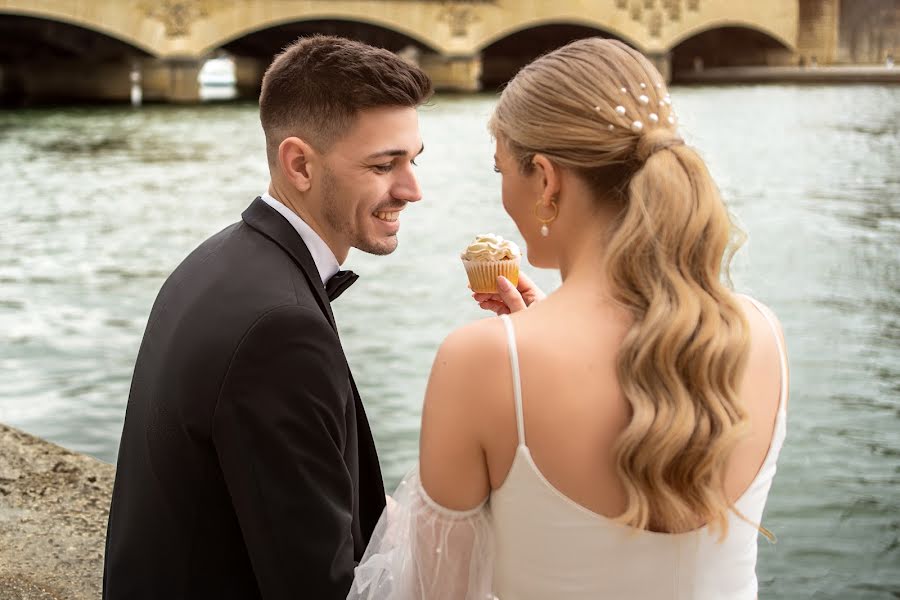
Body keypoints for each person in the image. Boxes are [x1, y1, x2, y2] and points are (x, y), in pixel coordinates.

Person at [349, 38, 788, 599]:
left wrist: (521, 350)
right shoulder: (761, 332)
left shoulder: (481, 364)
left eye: (500, 168)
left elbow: (440, 591)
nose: (502, 190)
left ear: (547, 180)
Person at [103, 36, 432, 599]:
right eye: (384, 166)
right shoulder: (280, 329)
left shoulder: (215, 259)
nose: (412, 190)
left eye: (413, 161)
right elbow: (314, 585)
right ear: (299, 163)